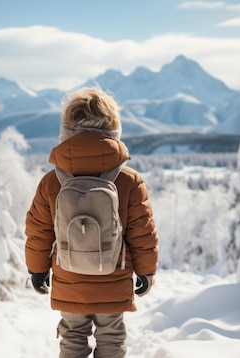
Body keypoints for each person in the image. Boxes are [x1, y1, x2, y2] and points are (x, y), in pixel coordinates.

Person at [25, 86, 159, 358]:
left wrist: (37, 270)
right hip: (114, 273)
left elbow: (38, 232)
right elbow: (142, 233)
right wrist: (146, 272)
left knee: (72, 336)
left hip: (68, 274)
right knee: (111, 336)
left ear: (66, 132)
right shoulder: (129, 181)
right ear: (113, 131)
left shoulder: (51, 182)